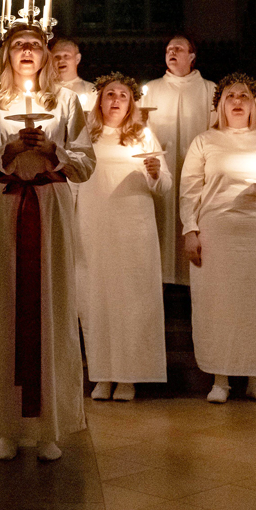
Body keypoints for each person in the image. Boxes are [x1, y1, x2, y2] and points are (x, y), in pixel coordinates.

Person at [0, 24, 95, 461]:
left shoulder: (67, 102)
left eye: (35, 46)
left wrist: (55, 150)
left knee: (51, 309)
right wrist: (9, 149)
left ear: (46, 55)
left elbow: (85, 162)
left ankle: (48, 427)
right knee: (4, 310)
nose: (26, 51)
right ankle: (6, 426)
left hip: (49, 205)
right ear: (5, 53)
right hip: (4, 207)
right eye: (18, 44)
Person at [180, 73, 256, 404]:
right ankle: (221, 377)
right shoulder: (205, 141)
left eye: (244, 95)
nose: (238, 101)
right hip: (219, 231)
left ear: (254, 103)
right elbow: (190, 190)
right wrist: (190, 228)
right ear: (220, 105)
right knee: (220, 303)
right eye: (231, 96)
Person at [76, 73, 167, 402]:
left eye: (123, 95)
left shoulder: (143, 134)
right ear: (99, 100)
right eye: (109, 94)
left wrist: (155, 173)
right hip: (93, 225)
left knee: (132, 299)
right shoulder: (85, 136)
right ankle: (101, 373)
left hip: (133, 226)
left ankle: (129, 375)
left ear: (132, 103)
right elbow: (72, 179)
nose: (115, 100)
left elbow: (165, 184)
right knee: (96, 299)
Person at [141, 34, 216, 285]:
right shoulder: (150, 90)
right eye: (168, 49)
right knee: (163, 223)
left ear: (192, 57)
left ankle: (193, 282)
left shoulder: (210, 90)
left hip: (197, 170)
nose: (172, 52)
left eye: (178, 49)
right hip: (160, 169)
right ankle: (162, 283)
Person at [50, 38, 97, 112]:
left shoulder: (91, 91)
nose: (61, 60)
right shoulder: (46, 89)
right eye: (57, 57)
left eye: (66, 56)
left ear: (77, 59)